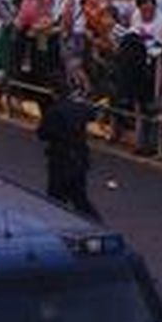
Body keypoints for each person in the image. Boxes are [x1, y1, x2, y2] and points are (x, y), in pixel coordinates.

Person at [36, 84, 99, 220]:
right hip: (79, 158)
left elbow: (42, 134)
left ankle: (57, 223)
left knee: (56, 198)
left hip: (60, 159)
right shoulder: (79, 108)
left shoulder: (53, 111)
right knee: (79, 197)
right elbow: (92, 115)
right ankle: (95, 221)